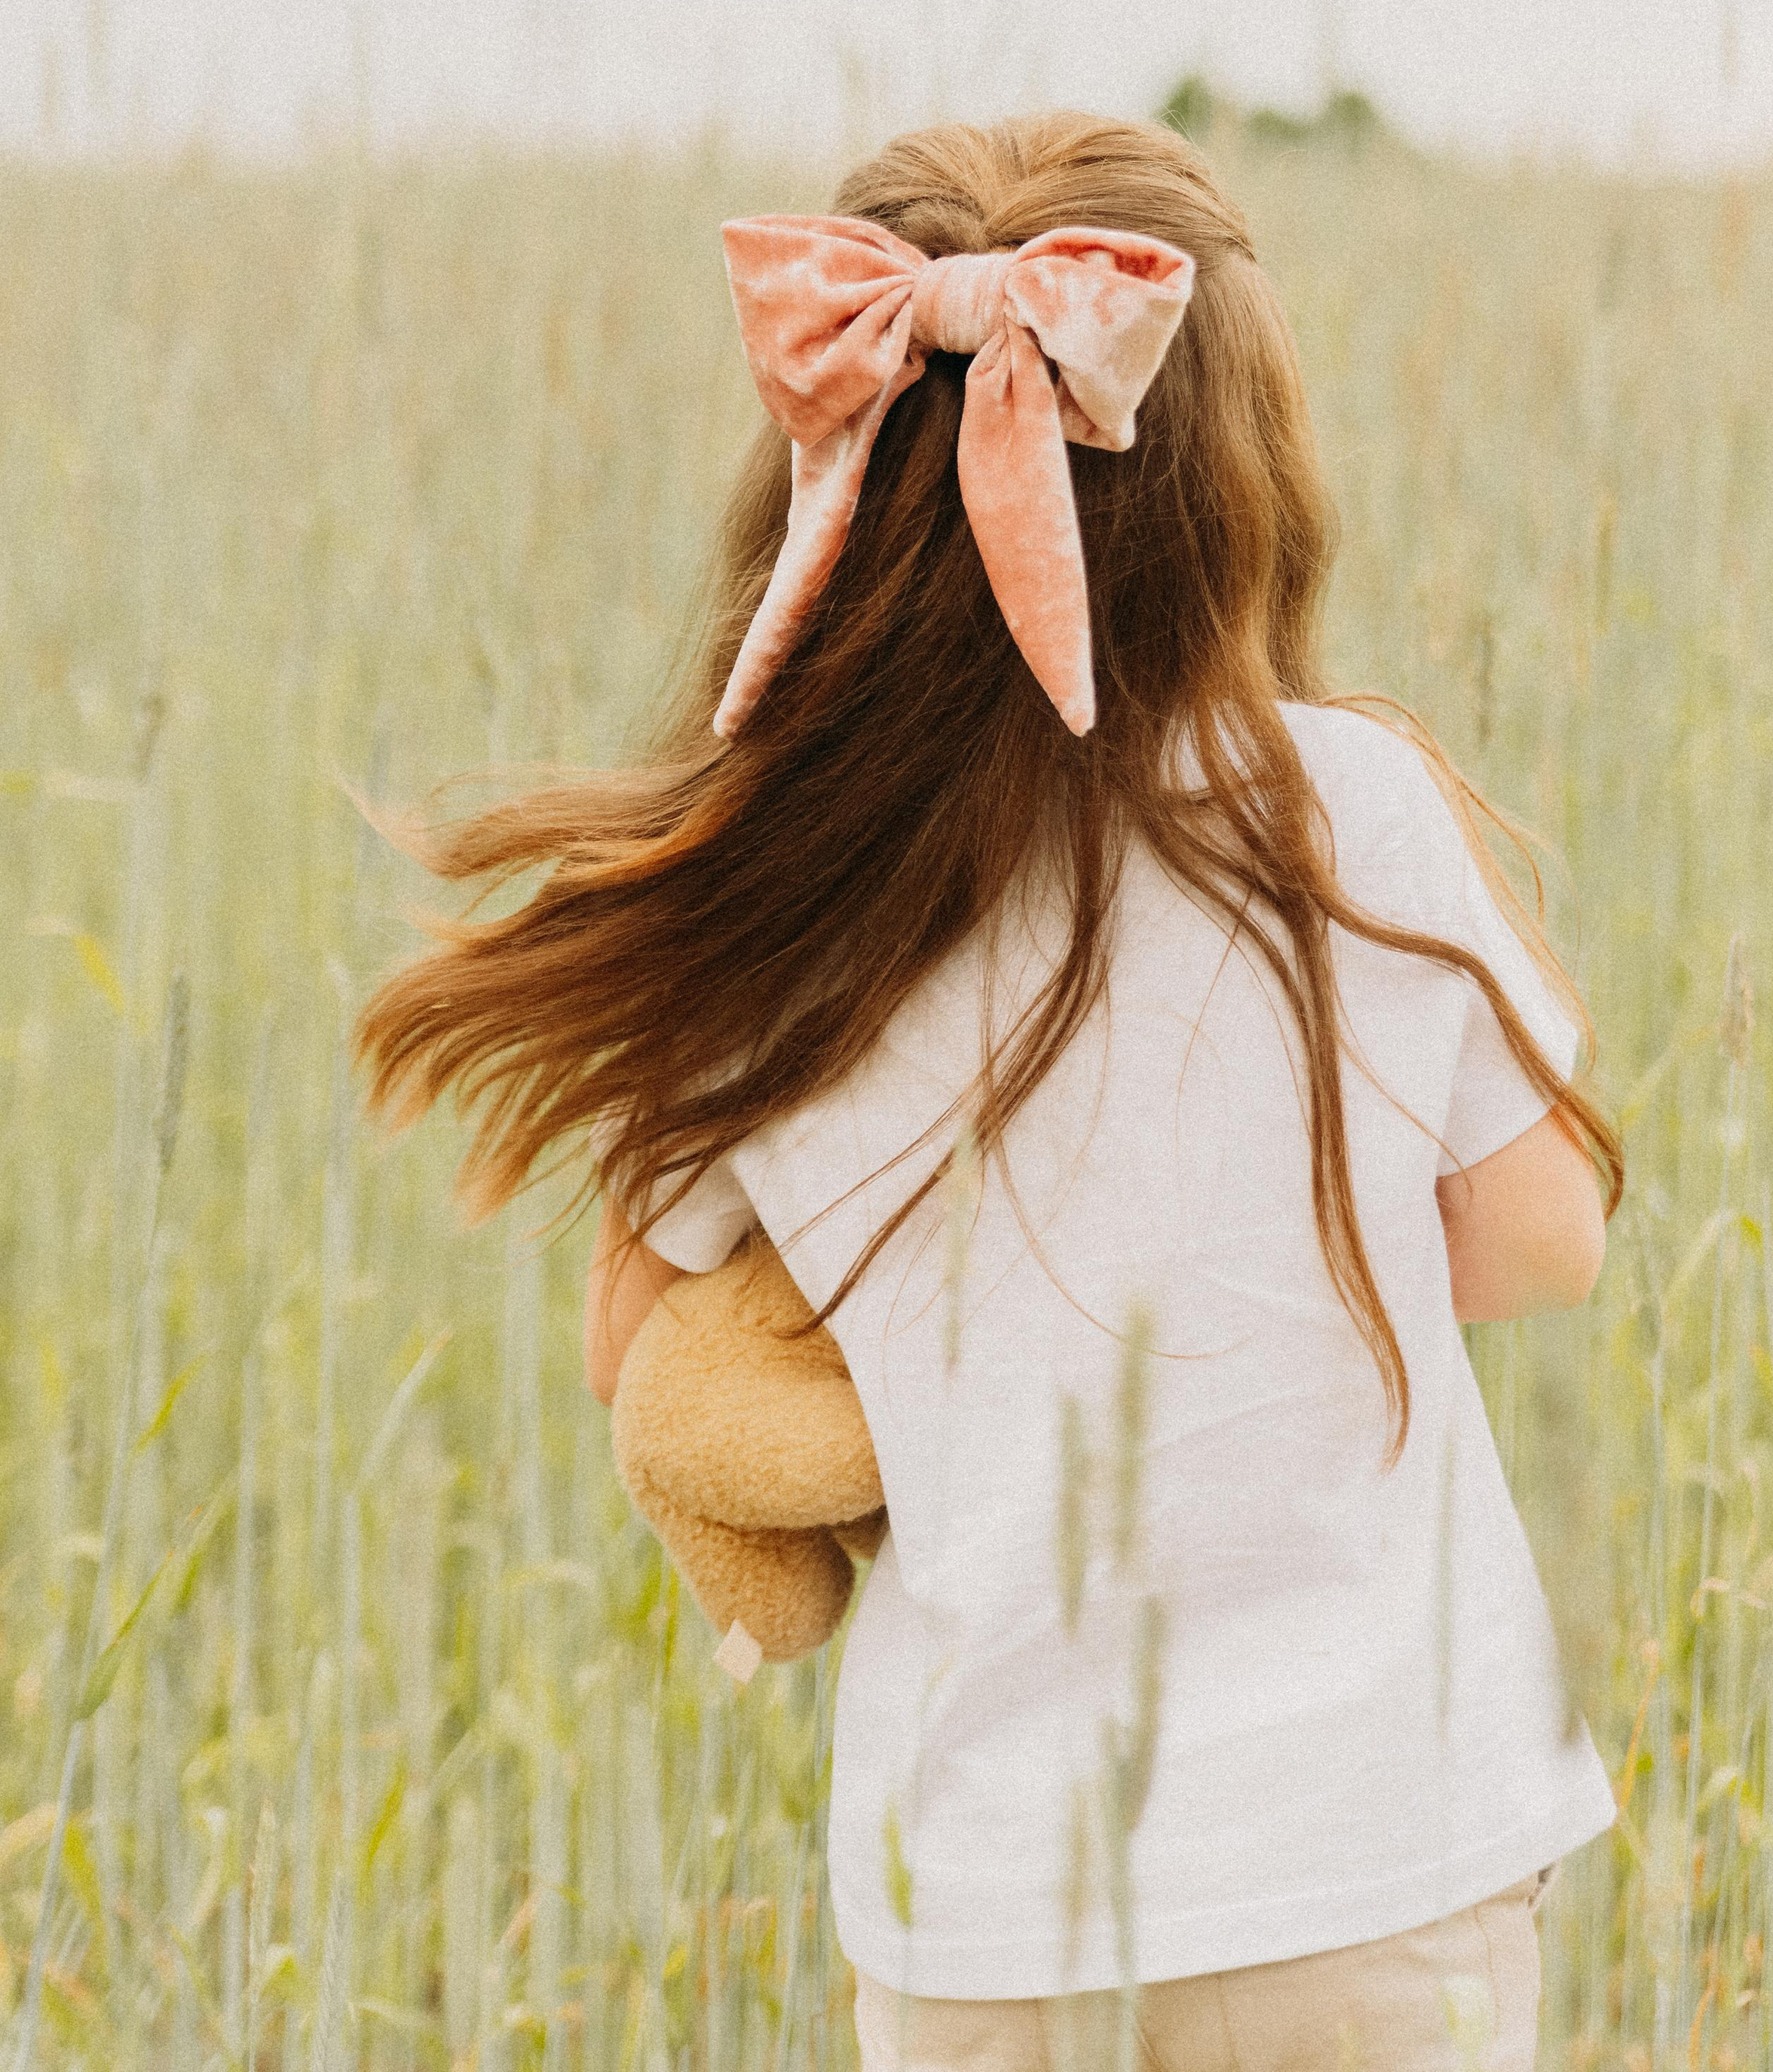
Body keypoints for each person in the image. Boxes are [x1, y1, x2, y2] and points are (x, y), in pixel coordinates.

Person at [357, 109, 1622, 2072]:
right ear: (1235, 486)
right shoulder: (1349, 810)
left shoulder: (778, 884)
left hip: (987, 1908)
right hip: (1373, 1852)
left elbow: (633, 1349)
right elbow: (1542, 1238)